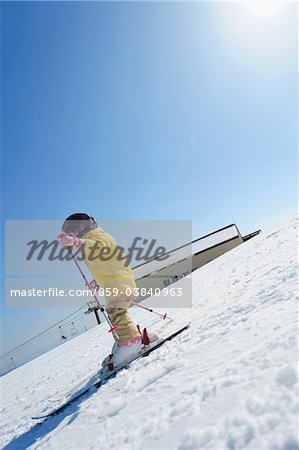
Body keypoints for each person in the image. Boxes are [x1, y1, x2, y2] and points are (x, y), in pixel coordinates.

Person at [58, 213, 157, 371]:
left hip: (120, 283)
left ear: (79, 228)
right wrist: (96, 281)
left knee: (115, 312)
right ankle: (127, 339)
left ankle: (130, 340)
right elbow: (106, 264)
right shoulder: (91, 242)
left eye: (72, 233)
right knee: (116, 314)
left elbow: (99, 247)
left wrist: (78, 242)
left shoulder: (100, 237)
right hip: (115, 284)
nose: (72, 236)